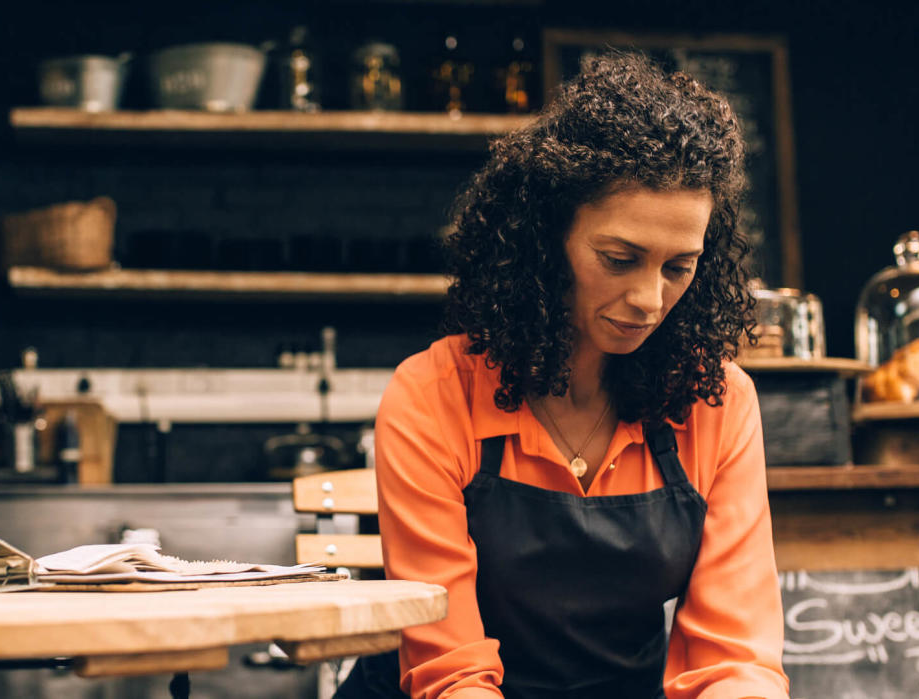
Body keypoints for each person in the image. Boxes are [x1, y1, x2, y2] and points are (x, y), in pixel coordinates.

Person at [338, 51, 789, 699]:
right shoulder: (433, 394)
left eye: (677, 267)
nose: (649, 300)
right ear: (546, 241)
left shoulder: (713, 400)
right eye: (619, 258)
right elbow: (452, 670)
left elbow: (734, 658)